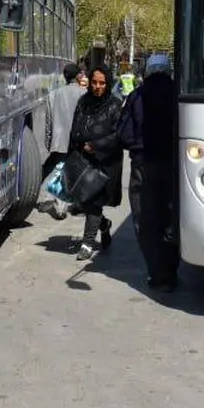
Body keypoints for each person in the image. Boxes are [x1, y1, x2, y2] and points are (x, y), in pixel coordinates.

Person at [117, 53, 180, 291]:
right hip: (173, 165)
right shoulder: (178, 94)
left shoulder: (136, 96)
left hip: (143, 165)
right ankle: (171, 269)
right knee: (171, 216)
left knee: (146, 219)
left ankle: (157, 273)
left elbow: (123, 133)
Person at [65, 65, 124, 261]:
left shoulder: (115, 105)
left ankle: (87, 243)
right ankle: (104, 225)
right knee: (85, 202)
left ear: (108, 84)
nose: (98, 86)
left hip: (106, 162)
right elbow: (75, 127)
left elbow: (119, 135)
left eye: (102, 83)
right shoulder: (83, 102)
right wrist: (73, 152)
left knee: (95, 202)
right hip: (84, 160)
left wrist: (97, 145)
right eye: (94, 82)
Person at [40, 62, 85, 220]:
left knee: (60, 170)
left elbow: (48, 122)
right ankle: (69, 205)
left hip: (59, 140)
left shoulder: (53, 95)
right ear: (78, 76)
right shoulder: (84, 94)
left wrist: (48, 142)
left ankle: (60, 205)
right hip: (78, 141)